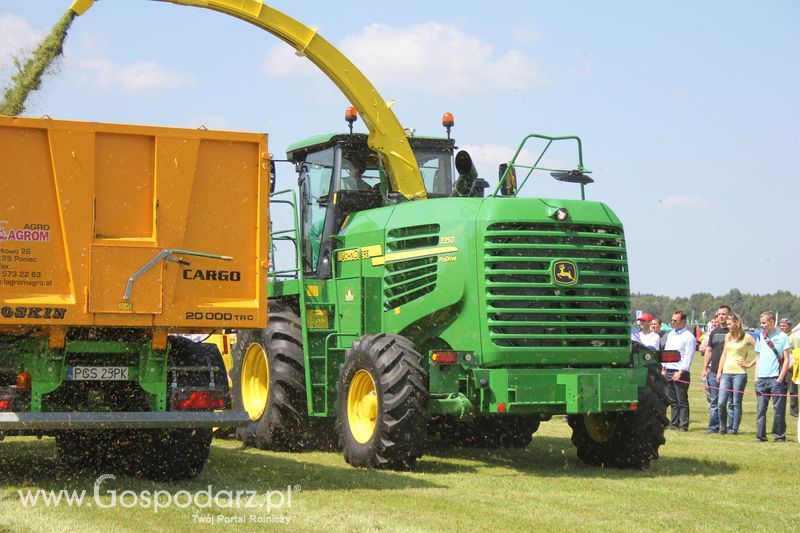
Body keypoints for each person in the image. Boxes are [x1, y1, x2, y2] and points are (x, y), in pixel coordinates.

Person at [753, 311, 792, 442]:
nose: (762, 325)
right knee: (760, 410)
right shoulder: (761, 336)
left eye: (764, 322)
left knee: (778, 410)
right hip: (761, 378)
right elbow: (758, 357)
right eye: (761, 322)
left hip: (776, 378)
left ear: (771, 321)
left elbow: (787, 359)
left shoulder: (782, 336)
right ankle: (760, 436)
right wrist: (756, 377)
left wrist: (780, 378)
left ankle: (779, 435)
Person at [716, 312, 756, 435]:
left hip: (739, 374)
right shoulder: (727, 336)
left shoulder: (747, 337)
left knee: (736, 402)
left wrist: (749, 364)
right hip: (726, 373)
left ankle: (734, 429)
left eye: (729, 324)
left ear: (737, 323)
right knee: (721, 402)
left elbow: (760, 351)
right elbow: (724, 354)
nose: (727, 326)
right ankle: (723, 427)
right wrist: (719, 371)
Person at [662, 310, 697, 431]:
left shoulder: (689, 337)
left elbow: (688, 356)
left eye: (675, 321)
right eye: (672, 320)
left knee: (681, 400)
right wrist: (664, 368)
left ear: (683, 321)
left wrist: (680, 372)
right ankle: (674, 423)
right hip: (669, 370)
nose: (673, 322)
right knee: (672, 400)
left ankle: (683, 425)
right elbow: (666, 352)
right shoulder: (671, 334)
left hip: (680, 372)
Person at [701, 306, 731, 434]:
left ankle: (730, 428)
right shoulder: (714, 332)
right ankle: (713, 427)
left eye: (724, 314)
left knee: (729, 402)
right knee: (714, 401)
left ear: (729, 315)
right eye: (719, 314)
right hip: (713, 371)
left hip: (729, 372)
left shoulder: (733, 331)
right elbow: (708, 351)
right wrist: (704, 368)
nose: (721, 316)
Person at [778, 318, 798, 418]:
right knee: (781, 391)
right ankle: (780, 411)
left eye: (784, 326)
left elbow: (797, 354)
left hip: (791, 368)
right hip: (780, 367)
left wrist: (790, 366)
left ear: (790, 326)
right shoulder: (779, 337)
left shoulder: (794, 338)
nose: (782, 327)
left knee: (792, 391)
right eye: (781, 326)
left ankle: (794, 412)